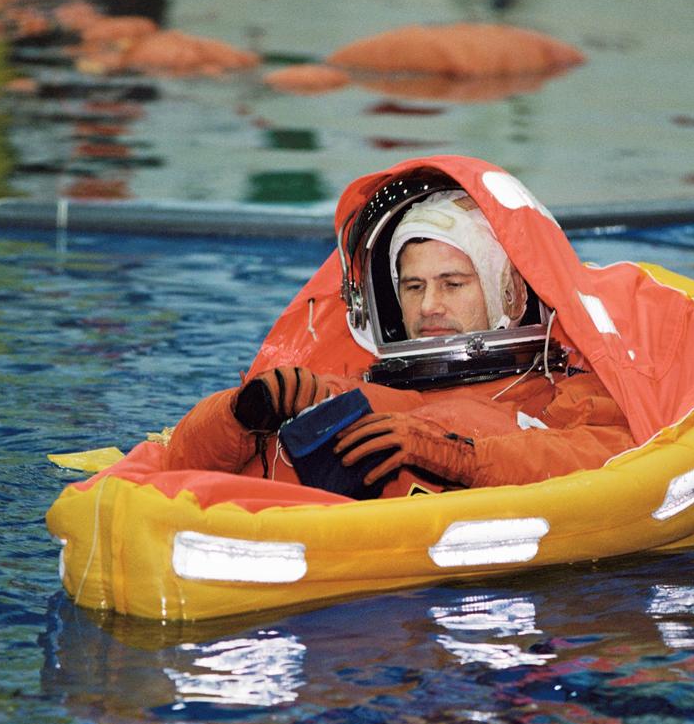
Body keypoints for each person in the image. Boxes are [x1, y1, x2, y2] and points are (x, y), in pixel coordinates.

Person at [162, 159, 643, 499]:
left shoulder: (565, 393)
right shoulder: (354, 391)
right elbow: (176, 469)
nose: (429, 305)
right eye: (413, 287)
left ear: (512, 294)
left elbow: (620, 460)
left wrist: (458, 457)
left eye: (452, 284)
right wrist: (239, 413)